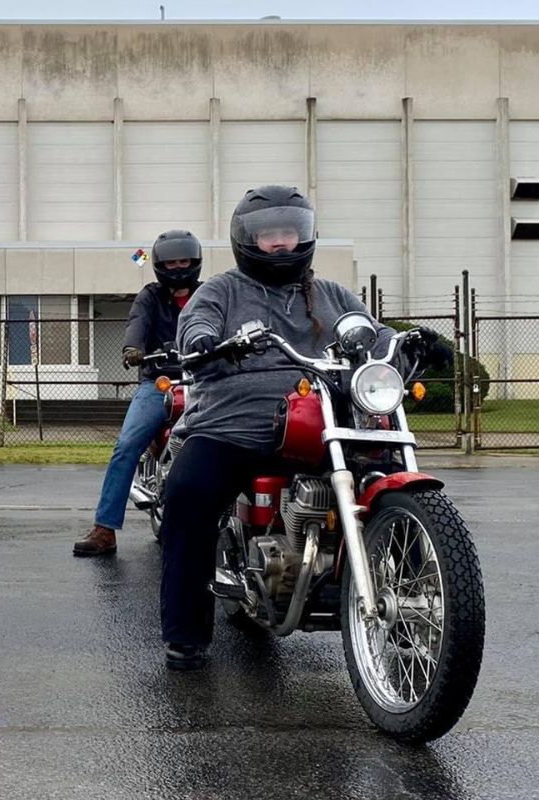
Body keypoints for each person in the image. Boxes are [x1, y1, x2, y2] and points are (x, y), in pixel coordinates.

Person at [158, 185, 453, 670]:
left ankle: (417, 603)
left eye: (290, 234)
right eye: (269, 236)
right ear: (247, 240)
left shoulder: (331, 294)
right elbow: (195, 328)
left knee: (386, 475)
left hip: (324, 422)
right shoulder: (221, 290)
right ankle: (185, 636)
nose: (280, 244)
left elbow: (367, 332)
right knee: (188, 495)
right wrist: (208, 341)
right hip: (233, 425)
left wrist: (407, 343)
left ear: (306, 236)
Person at [72, 230, 203, 557]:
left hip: (203, 381)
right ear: (159, 265)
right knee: (127, 445)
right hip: (159, 384)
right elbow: (137, 325)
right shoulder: (150, 296)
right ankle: (105, 529)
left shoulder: (209, 295)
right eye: (170, 262)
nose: (176, 267)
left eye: (183, 261)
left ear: (195, 262)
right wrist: (134, 348)